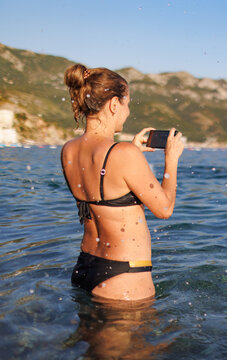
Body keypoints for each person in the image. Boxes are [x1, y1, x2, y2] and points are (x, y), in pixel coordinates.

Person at [61, 64, 184, 301]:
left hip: (85, 266)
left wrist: (130, 152)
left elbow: (100, 187)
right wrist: (172, 160)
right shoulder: (123, 154)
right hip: (123, 275)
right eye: (127, 104)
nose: (127, 112)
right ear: (114, 104)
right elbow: (165, 208)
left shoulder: (69, 150)